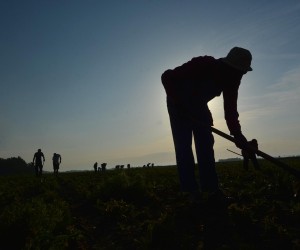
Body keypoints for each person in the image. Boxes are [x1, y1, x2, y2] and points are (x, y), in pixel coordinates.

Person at [161, 47, 253, 203]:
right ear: (230, 67)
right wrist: (178, 103)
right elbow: (167, 77)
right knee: (184, 147)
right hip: (177, 104)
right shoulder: (204, 64)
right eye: (241, 71)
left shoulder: (233, 80)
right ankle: (190, 192)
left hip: (198, 106)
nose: (243, 74)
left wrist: (237, 134)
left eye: (244, 71)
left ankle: (211, 190)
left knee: (205, 144)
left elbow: (230, 109)